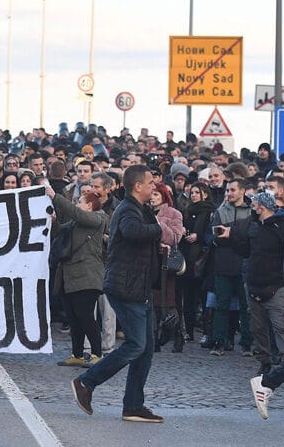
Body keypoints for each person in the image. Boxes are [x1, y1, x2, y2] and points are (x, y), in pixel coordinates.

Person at [71, 165, 165, 423]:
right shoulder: (128, 209)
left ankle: (133, 406)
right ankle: (86, 382)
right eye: (150, 183)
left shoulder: (141, 209)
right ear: (138, 186)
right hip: (126, 287)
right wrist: (159, 229)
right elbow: (133, 232)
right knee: (136, 345)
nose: (154, 186)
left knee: (145, 350)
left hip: (139, 287)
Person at [218, 191, 284, 378]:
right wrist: (230, 237)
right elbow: (246, 251)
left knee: (280, 327)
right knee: (257, 328)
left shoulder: (281, 227)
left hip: (276, 286)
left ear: (262, 208)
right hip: (254, 285)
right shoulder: (254, 227)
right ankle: (265, 362)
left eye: (254, 205)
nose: (252, 208)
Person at [48, 184, 108, 368]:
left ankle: (97, 354)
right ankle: (77, 354)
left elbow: (76, 213)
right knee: (74, 317)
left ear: (89, 205)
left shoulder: (97, 219)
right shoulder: (76, 223)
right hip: (69, 277)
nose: (76, 204)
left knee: (85, 315)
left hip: (87, 277)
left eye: (80, 202)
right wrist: (54, 221)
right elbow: (59, 232)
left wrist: (55, 196)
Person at [207, 178, 253, 356]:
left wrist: (231, 234)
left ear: (242, 191)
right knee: (221, 306)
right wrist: (232, 237)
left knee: (245, 307)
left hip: (244, 264)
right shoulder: (221, 211)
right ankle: (218, 342)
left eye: (232, 190)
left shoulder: (251, 211)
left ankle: (247, 344)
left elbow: (249, 237)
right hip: (223, 263)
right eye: (227, 190)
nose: (229, 193)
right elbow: (215, 236)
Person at [148, 182, 186, 353]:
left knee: (168, 301)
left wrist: (158, 223)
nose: (152, 197)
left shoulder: (173, 213)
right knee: (152, 302)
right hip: (149, 261)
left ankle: (177, 335)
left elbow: (175, 237)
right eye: (151, 194)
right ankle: (154, 338)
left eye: (156, 194)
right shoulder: (144, 211)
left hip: (166, 264)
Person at [180, 182, 216, 347]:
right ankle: (189, 331)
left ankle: (207, 332)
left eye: (197, 192)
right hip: (188, 257)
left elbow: (210, 234)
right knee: (188, 297)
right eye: (192, 192)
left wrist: (198, 236)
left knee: (204, 297)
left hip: (203, 259)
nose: (193, 195)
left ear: (205, 194)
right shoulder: (187, 211)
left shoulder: (210, 212)